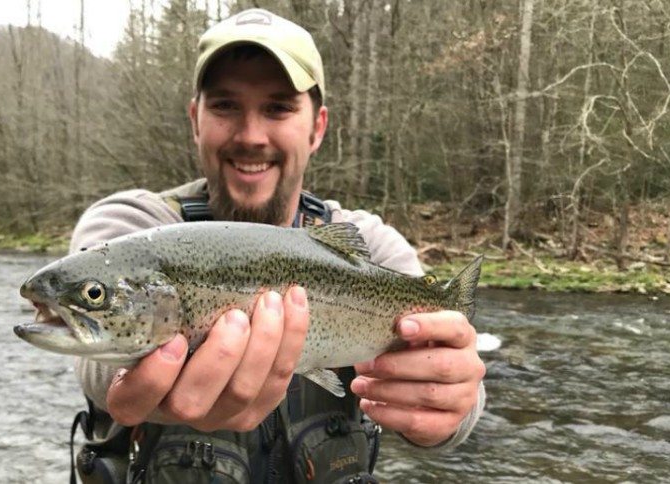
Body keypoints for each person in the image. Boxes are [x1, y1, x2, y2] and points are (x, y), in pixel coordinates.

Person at [64, 8, 486, 483]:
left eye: (278, 107)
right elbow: (96, 368)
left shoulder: (368, 243)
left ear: (318, 127)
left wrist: (452, 404)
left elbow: (454, 374)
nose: (251, 135)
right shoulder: (133, 227)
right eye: (225, 105)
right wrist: (136, 380)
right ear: (195, 120)